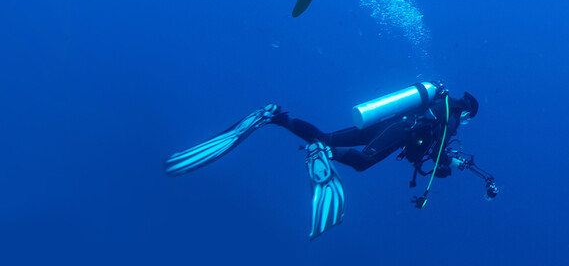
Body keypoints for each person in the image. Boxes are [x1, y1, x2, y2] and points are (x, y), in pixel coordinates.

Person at [163, 83, 498, 240]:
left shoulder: (436, 104)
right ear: (467, 111)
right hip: (397, 130)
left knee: (325, 137)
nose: (464, 123)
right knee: (362, 162)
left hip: (386, 124)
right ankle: (323, 153)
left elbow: (429, 148)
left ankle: (275, 117)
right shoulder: (452, 116)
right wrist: (441, 171)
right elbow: (434, 154)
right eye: (468, 118)